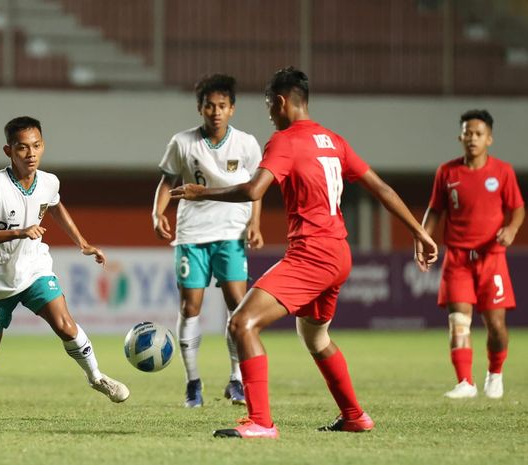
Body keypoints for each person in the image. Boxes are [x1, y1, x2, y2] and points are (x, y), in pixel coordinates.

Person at [171, 67, 438, 439]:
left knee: (241, 323)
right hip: (339, 253)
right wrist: (420, 232)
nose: (269, 115)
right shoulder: (333, 141)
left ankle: (261, 422)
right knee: (315, 339)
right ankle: (354, 415)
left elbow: (253, 191)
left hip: (312, 254)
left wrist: (202, 192)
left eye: (268, 107)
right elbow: (382, 189)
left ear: (280, 102)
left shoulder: (285, 140)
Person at [0, 116, 129, 420]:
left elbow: (55, 205)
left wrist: (82, 242)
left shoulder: (49, 181)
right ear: (8, 151)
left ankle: (96, 376)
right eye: (22, 148)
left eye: (36, 146)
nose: (31, 153)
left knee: (65, 324)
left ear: (43, 146)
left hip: (34, 269)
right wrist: (19, 231)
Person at [152, 73, 263, 408]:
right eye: (209, 106)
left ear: (232, 109)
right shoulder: (182, 142)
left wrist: (255, 224)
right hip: (192, 236)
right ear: (200, 108)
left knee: (238, 307)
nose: (216, 111)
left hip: (231, 234)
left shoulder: (246, 144)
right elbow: (166, 181)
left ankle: (236, 381)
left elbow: (257, 189)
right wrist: (158, 214)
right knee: (191, 307)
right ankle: (193, 383)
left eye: (222, 106)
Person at [422, 109, 524, 400]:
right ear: (460, 136)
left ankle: (495, 373)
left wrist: (512, 228)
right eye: (468, 133)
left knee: (496, 325)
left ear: (489, 139)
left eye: (478, 134)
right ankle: (465, 382)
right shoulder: (447, 172)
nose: (472, 138)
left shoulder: (502, 172)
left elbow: (517, 208)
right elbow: (435, 210)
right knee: (459, 320)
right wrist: (423, 236)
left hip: (492, 258)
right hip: (457, 258)